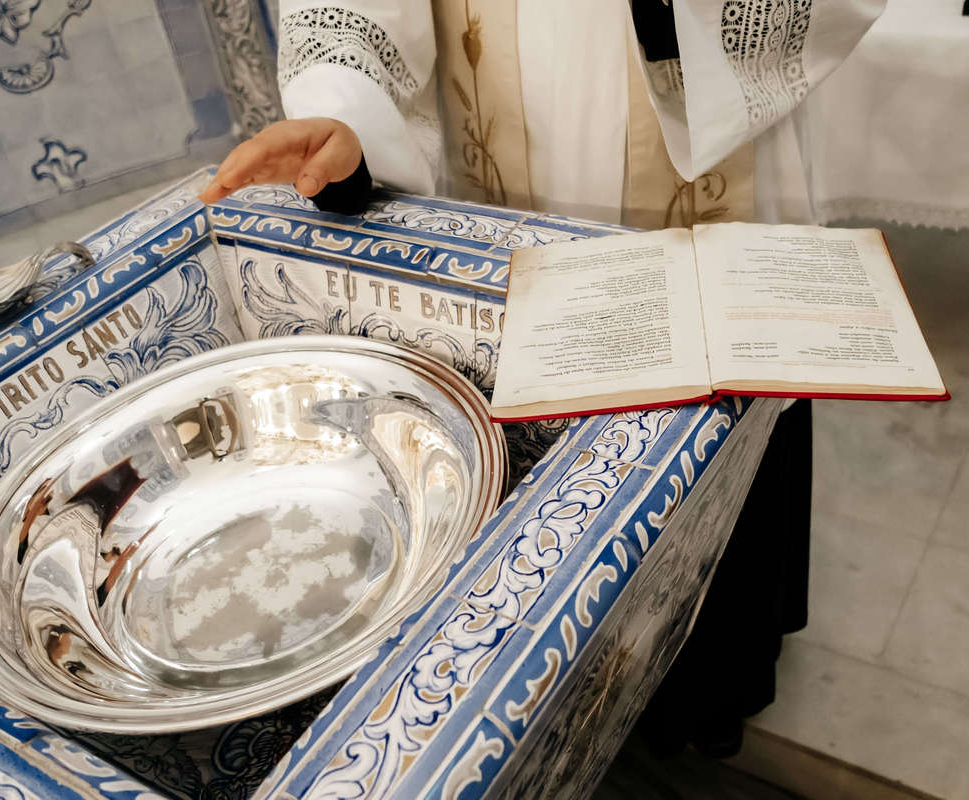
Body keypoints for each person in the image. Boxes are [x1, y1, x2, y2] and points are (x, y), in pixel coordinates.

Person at [200, 0, 884, 758]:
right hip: (505, 172)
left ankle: (700, 704)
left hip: (710, 150)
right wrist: (348, 110)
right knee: (556, 497)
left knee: (715, 445)